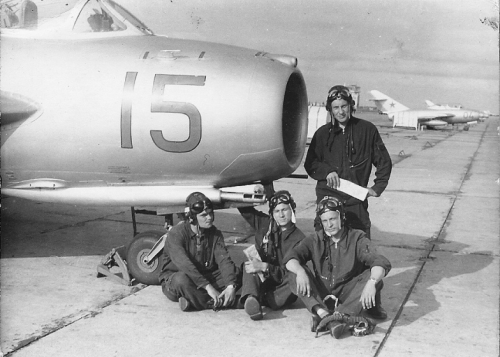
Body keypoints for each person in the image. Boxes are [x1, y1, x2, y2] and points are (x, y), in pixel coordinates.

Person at [285, 196, 391, 339]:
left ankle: (336, 317)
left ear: (342, 217)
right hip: (322, 293)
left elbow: (379, 262)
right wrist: (300, 271)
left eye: (333, 219)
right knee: (294, 273)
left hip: (347, 293)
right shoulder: (315, 239)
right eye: (325, 221)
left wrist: (372, 283)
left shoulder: (357, 238)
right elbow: (290, 258)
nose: (329, 225)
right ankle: (324, 314)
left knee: (373, 278)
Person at [304, 85, 392, 238]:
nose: (341, 111)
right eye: (336, 107)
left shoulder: (367, 130)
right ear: (330, 109)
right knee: (325, 248)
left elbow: (384, 162)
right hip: (328, 200)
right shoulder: (322, 134)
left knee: (360, 245)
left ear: (351, 106)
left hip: (355, 200)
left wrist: (377, 188)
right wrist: (327, 171)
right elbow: (310, 163)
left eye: (344, 106)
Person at [159, 192, 240, 311]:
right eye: (204, 215)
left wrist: (230, 286)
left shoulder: (215, 234)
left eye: (210, 213)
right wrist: (208, 287)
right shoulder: (176, 234)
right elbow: (185, 265)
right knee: (181, 280)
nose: (209, 218)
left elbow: (224, 261)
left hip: (206, 275)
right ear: (192, 218)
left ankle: (194, 301)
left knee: (236, 272)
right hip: (179, 277)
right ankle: (223, 302)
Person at [237, 190, 305, 320]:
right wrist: (262, 188)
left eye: (285, 210)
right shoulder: (265, 224)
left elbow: (287, 274)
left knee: (295, 276)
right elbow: (244, 208)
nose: (281, 215)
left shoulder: (300, 239)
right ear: (272, 214)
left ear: (292, 210)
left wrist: (265, 267)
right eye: (277, 211)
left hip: (280, 289)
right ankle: (252, 300)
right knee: (249, 265)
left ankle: (256, 299)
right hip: (263, 281)